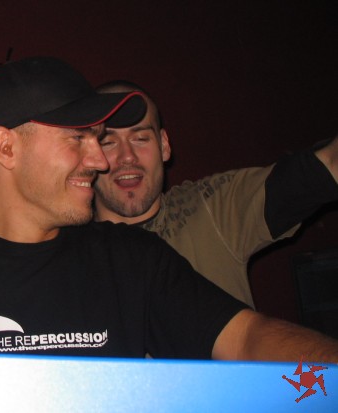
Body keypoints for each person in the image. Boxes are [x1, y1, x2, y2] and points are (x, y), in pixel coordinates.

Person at [0, 57, 338, 362]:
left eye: (99, 138)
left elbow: (246, 339)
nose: (99, 161)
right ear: (7, 148)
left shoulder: (130, 260)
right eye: (79, 138)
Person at [93, 80, 338, 307]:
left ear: (164, 145)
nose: (127, 157)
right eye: (108, 143)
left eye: (140, 138)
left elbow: (326, 166)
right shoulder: (75, 252)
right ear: (87, 155)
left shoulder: (214, 207)